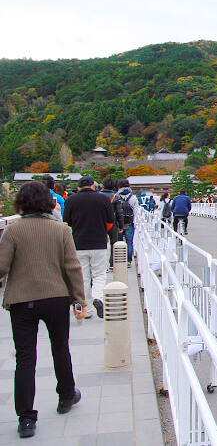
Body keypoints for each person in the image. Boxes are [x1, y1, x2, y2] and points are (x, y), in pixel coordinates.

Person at [0, 182, 85, 438]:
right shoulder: (61, 230)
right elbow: (73, 267)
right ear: (49, 202)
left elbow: (1, 267)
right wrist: (78, 299)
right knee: (60, 347)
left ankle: (26, 418)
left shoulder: (12, 231)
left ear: (21, 203)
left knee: (25, 358)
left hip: (22, 300)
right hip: (56, 297)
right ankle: (66, 396)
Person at [63, 175, 114, 319]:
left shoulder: (71, 200)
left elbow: (67, 221)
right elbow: (110, 221)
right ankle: (98, 297)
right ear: (93, 185)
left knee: (83, 277)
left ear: (79, 187)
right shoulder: (103, 199)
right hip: (99, 241)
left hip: (78, 243)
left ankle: (87, 310)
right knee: (99, 274)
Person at [112, 179, 139, 264]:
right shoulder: (133, 197)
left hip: (118, 223)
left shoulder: (116, 196)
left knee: (118, 242)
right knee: (129, 242)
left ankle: (119, 260)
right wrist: (135, 223)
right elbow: (136, 212)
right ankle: (129, 261)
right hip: (129, 223)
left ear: (119, 186)